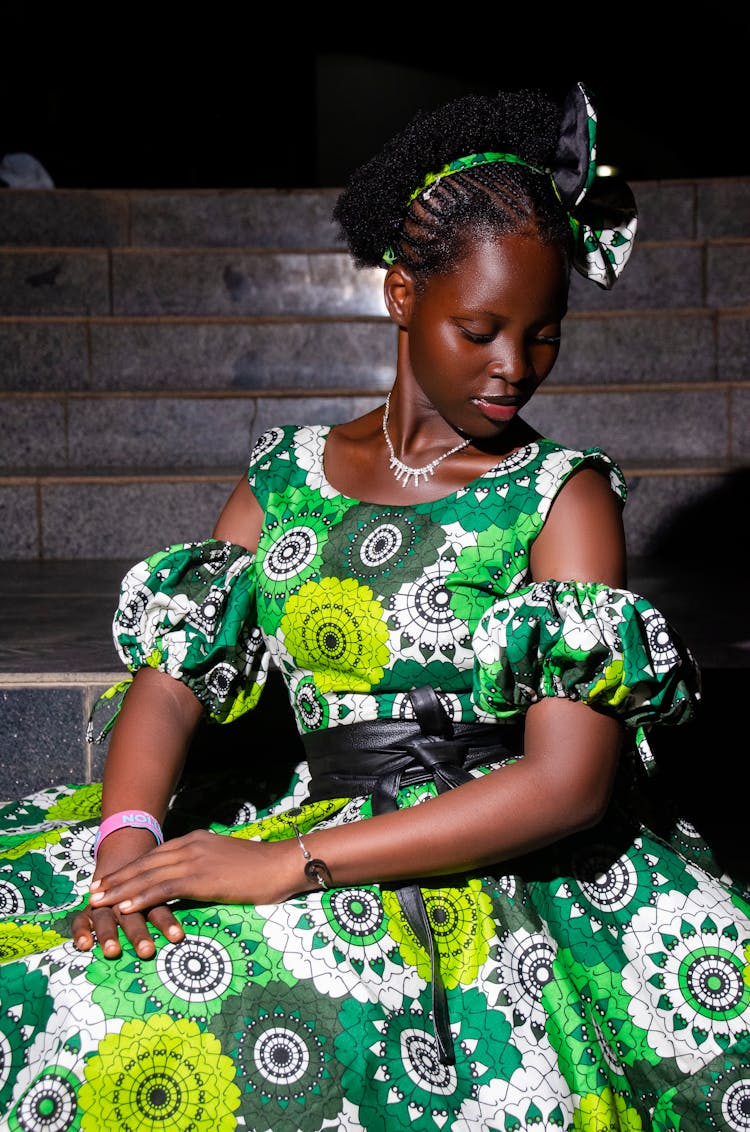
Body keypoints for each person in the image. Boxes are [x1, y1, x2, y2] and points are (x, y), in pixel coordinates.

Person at [1, 81, 748, 1132]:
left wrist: (281, 867)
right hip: (311, 812)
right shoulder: (289, 476)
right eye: (480, 327)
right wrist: (127, 843)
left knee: (169, 1018)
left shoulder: (561, 495)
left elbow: (569, 783)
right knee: (52, 964)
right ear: (403, 297)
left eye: (544, 335)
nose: (512, 368)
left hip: (481, 863)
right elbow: (171, 683)